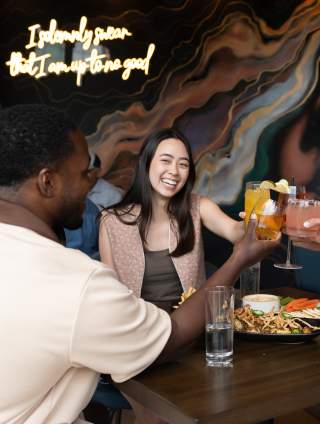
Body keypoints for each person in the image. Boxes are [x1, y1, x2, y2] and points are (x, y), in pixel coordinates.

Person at [0, 104, 278, 424]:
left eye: (183, 163)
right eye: (84, 172)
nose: (94, 180)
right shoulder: (87, 271)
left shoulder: (195, 207)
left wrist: (260, 224)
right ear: (47, 182)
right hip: (142, 342)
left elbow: (235, 231)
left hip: (178, 339)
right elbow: (156, 332)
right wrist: (240, 258)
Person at [99, 128, 245, 312]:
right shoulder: (111, 222)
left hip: (191, 326)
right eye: (166, 161)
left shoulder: (199, 207)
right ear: (146, 164)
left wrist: (257, 221)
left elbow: (235, 231)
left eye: (183, 164)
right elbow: (109, 293)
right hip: (138, 329)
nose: (174, 171)